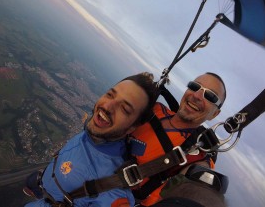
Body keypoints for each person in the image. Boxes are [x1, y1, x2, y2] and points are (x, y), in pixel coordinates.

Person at [23, 72, 159, 207]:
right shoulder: (95, 128)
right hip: (47, 182)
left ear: (132, 127)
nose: (106, 106)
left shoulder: (112, 187)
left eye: (124, 108)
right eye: (110, 95)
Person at [130, 72, 227, 206]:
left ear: (215, 114)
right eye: (194, 86)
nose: (197, 95)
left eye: (210, 96)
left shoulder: (197, 153)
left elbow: (200, 187)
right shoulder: (155, 109)